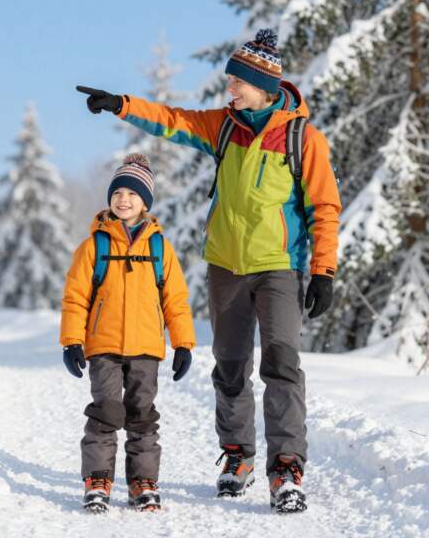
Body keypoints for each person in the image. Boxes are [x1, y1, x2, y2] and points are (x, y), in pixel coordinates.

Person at [76, 28, 341, 514]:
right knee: (231, 365)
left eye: (237, 84)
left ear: (262, 85)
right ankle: (237, 455)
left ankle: (286, 467)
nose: (229, 91)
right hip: (225, 265)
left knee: (282, 364)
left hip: (279, 266)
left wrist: (323, 270)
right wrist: (121, 104)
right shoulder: (223, 126)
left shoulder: (303, 138)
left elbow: (324, 206)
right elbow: (171, 120)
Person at [60, 153, 196, 513]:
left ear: (145, 201)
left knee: (142, 415)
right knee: (105, 412)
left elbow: (176, 300)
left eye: (132, 194)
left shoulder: (159, 248)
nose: (124, 199)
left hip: (146, 349)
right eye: (118, 192)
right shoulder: (95, 246)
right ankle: (98, 479)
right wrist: (72, 340)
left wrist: (183, 343)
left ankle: (143, 482)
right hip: (103, 345)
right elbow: (75, 298)